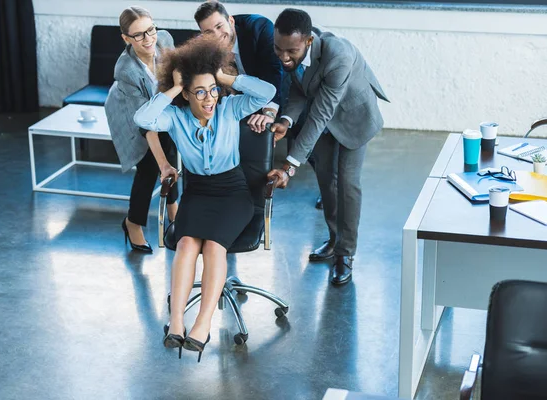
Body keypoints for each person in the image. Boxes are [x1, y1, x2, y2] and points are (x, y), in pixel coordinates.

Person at [134, 37, 275, 361]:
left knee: (213, 246)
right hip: (197, 192)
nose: (209, 98)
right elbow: (144, 120)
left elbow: (266, 92)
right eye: (199, 92)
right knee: (185, 245)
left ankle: (203, 322)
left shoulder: (229, 107)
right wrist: (172, 89)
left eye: (212, 91)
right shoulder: (176, 116)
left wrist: (222, 78)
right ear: (185, 93)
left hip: (233, 193)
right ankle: (177, 322)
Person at [267, 9, 389, 285]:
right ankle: (335, 239)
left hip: (353, 117)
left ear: (308, 42)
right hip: (323, 118)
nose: (284, 57)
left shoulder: (338, 57)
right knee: (325, 179)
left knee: (347, 183)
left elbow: (320, 114)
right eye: (278, 48)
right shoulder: (293, 47)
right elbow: (300, 89)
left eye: (291, 51)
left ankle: (346, 254)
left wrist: (289, 165)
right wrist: (286, 119)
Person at [104, 6, 179, 254]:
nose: (148, 39)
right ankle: (133, 223)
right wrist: (162, 164)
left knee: (171, 156)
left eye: (150, 30)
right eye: (138, 35)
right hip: (131, 113)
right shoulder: (126, 71)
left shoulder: (165, 39)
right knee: (149, 166)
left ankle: (174, 213)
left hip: (163, 107)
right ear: (126, 38)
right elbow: (146, 124)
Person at [193, 1, 283, 133]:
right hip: (235, 105)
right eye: (209, 33)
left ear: (231, 20)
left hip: (270, 95)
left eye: (219, 26)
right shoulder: (203, 45)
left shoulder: (260, 28)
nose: (217, 36)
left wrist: (269, 113)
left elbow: (273, 70)